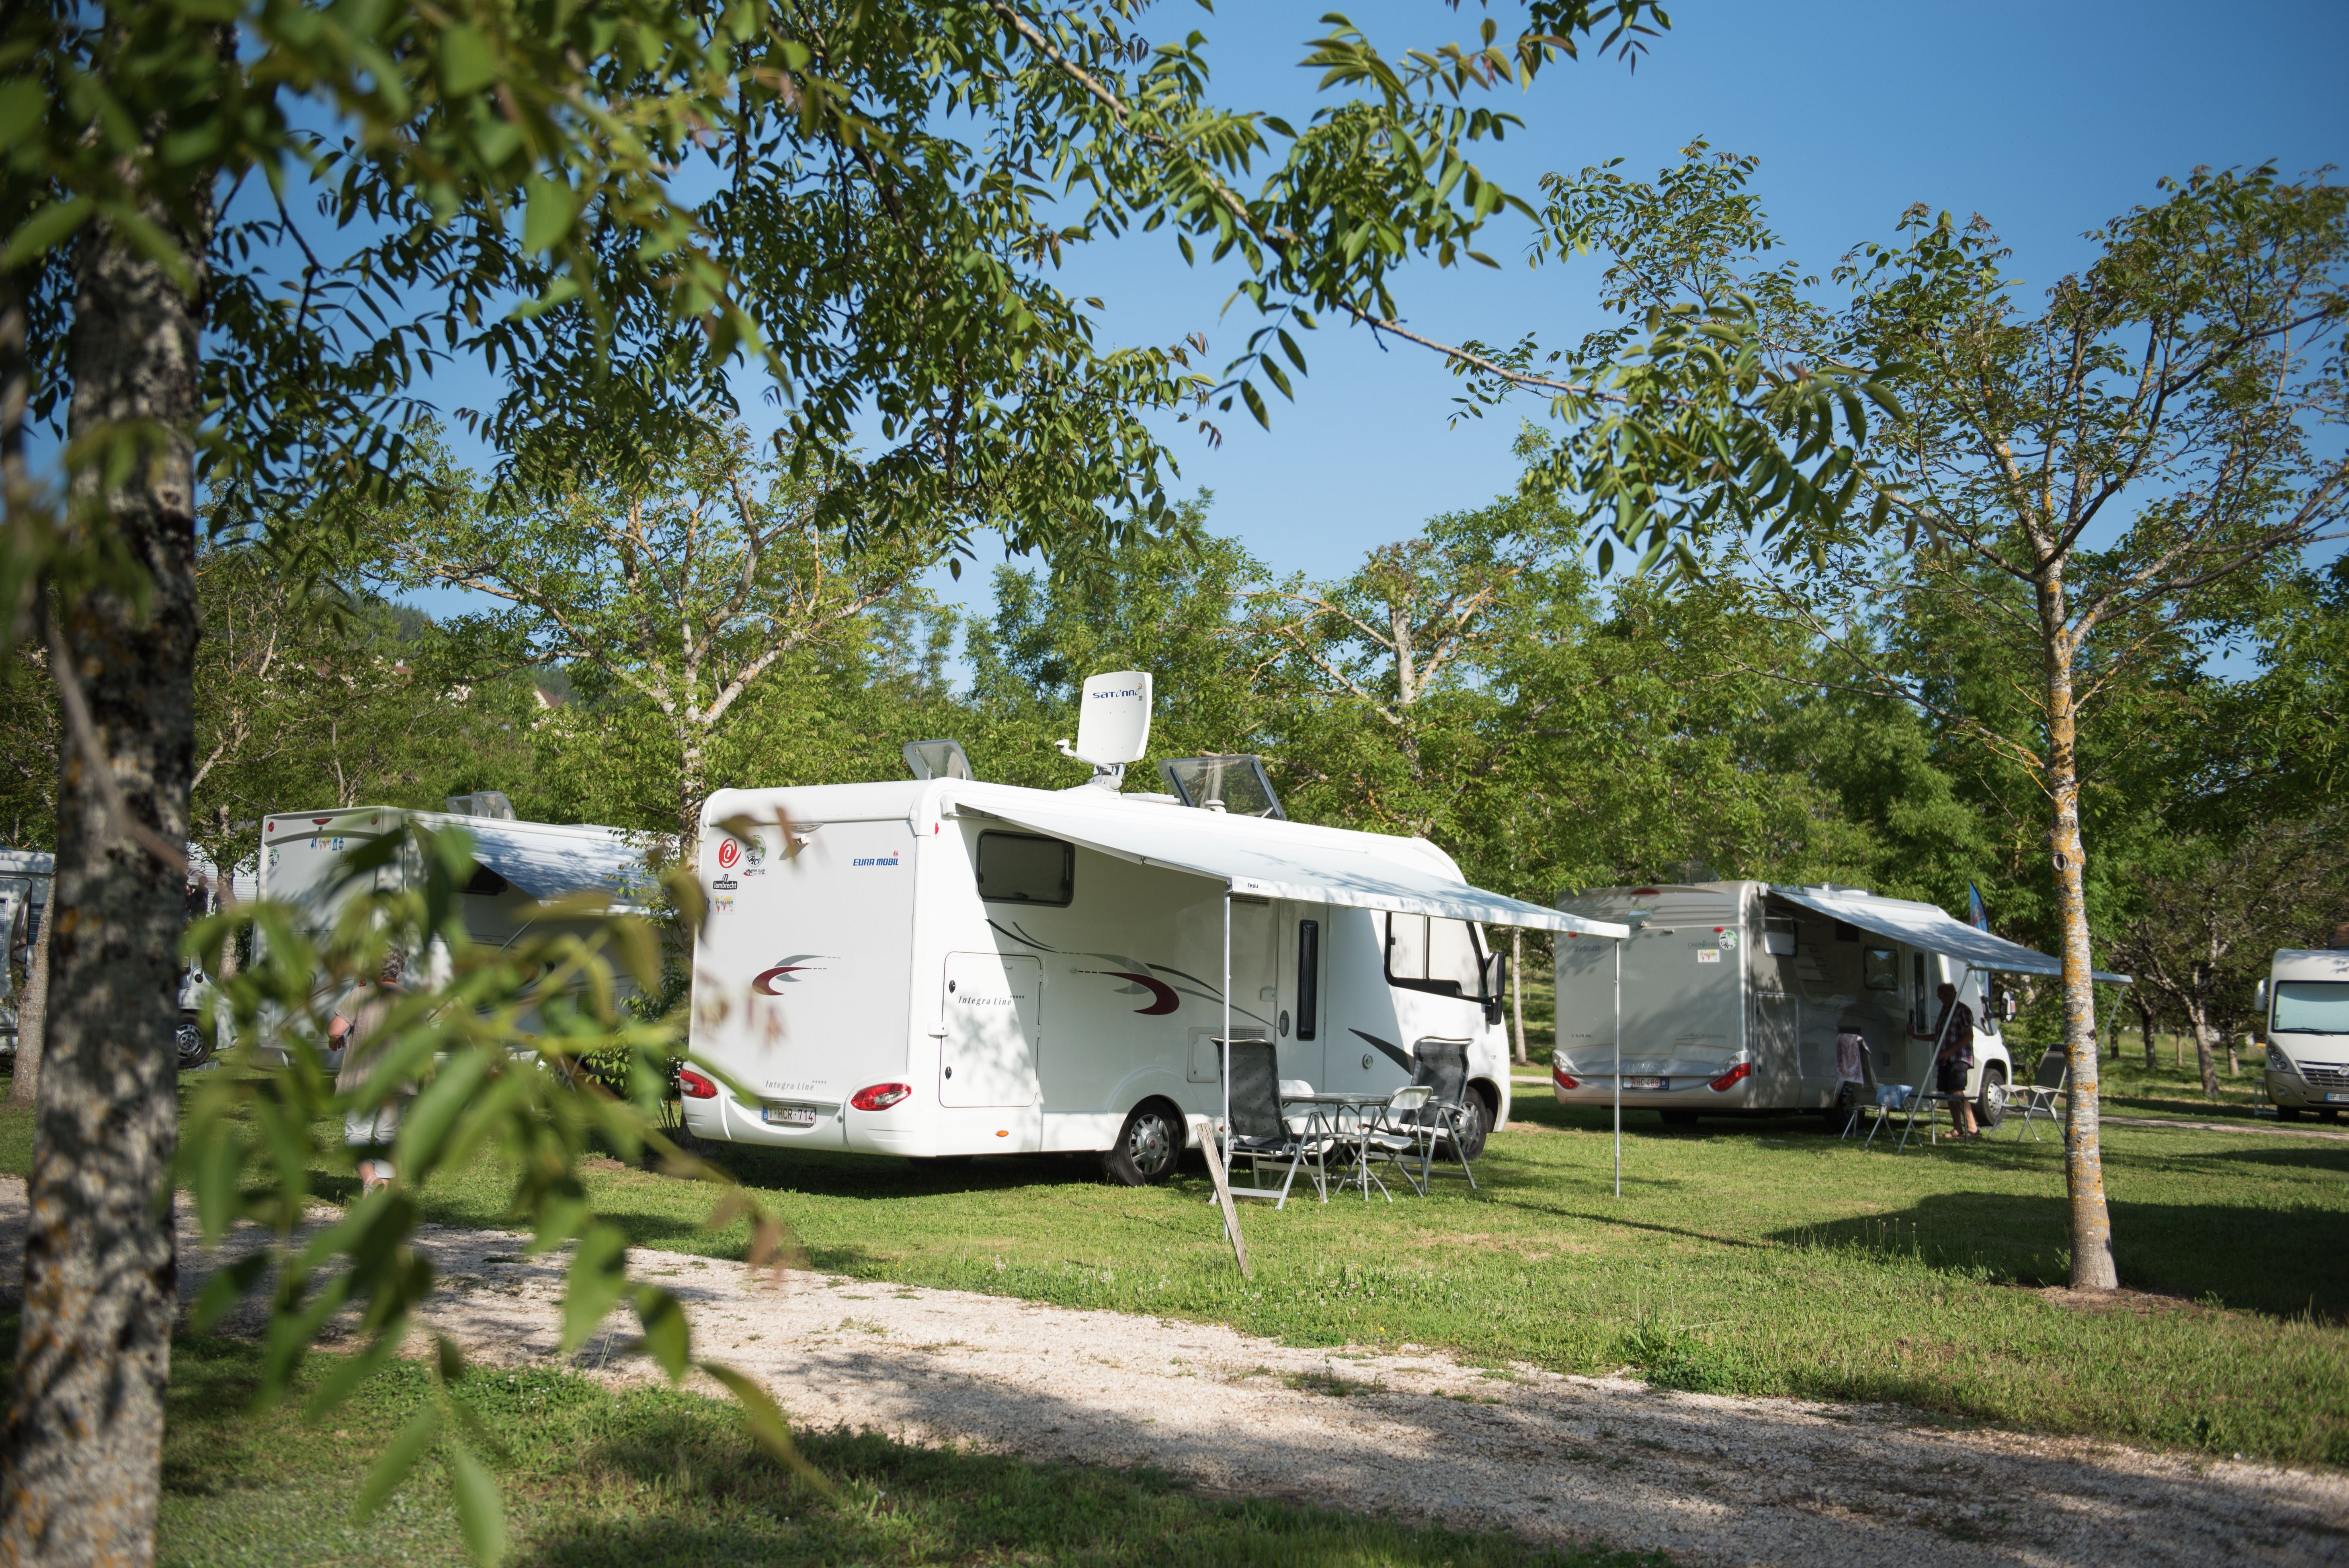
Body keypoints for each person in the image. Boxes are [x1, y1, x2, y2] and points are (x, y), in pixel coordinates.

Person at [331, 950, 411, 1193]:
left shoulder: (361, 995)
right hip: (400, 1078)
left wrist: (334, 1039)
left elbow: (336, 1030)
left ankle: (371, 1180)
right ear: (399, 970)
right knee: (388, 1135)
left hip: (363, 1078)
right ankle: (381, 1192)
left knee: (357, 1132)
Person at [1931, 980, 1980, 1139]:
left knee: (1957, 1091)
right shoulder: (1944, 1011)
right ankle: (1958, 1128)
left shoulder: (1962, 1010)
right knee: (1948, 1093)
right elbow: (1939, 1036)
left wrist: (1949, 1051)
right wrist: (1915, 1036)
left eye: (1947, 994)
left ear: (1954, 994)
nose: (1943, 998)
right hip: (1945, 1059)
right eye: (1941, 995)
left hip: (1959, 1058)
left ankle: (1973, 1129)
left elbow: (1968, 1035)